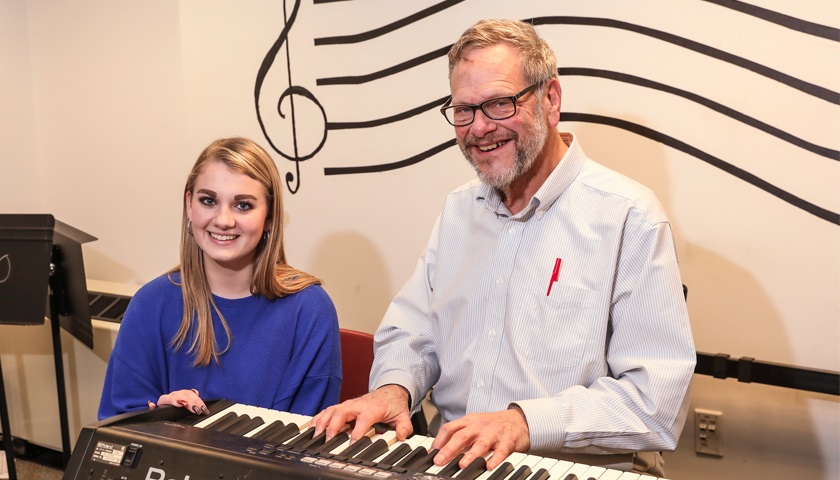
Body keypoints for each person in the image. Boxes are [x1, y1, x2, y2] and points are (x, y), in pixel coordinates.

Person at [312, 19, 695, 476]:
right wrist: (394, 389)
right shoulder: (459, 210)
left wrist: (523, 422)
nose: (479, 128)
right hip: (454, 462)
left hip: (572, 468)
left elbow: (655, 403)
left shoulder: (630, 216)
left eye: (498, 103)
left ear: (551, 99)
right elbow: (413, 333)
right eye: (464, 110)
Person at [99, 137, 341, 420]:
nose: (223, 220)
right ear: (189, 205)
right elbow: (116, 430)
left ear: (271, 217)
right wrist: (157, 420)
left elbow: (307, 443)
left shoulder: (310, 310)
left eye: (243, 205)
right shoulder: (150, 304)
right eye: (209, 201)